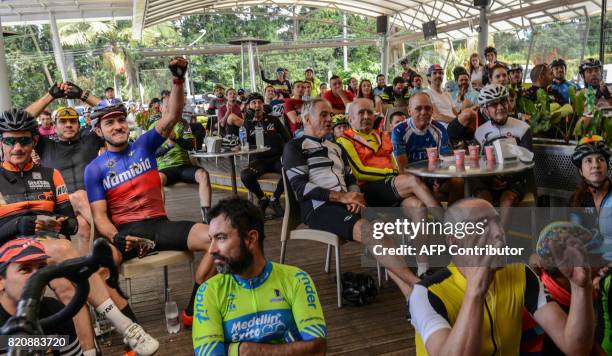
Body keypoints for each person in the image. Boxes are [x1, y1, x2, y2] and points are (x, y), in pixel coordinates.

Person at [0, 108, 159, 355]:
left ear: (34, 140)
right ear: (2, 143)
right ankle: (126, 326)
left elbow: (72, 223)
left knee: (69, 287)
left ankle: (88, 351)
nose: (17, 147)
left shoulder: (50, 175)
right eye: (10, 140)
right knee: (66, 250)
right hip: (9, 254)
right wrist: (19, 225)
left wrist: (57, 223)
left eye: (23, 140)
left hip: (47, 254)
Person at [84, 57, 216, 329]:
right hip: (126, 233)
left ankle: (193, 309)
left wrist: (178, 79)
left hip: (160, 225)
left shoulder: (143, 145)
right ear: (99, 131)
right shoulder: (94, 169)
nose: (118, 126)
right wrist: (117, 238)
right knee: (99, 270)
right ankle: (132, 329)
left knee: (220, 240)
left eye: (121, 120)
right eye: (110, 123)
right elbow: (99, 217)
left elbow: (172, 116)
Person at [407, 198, 595, 356]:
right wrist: (475, 291)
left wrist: (580, 287)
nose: (499, 233)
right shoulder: (426, 294)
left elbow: (576, 347)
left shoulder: (521, 274)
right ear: (454, 242)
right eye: (482, 225)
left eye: (497, 221)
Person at [282, 98, 421, 294]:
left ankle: (410, 296)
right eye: (323, 115)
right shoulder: (294, 147)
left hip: (345, 202)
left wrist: (355, 195)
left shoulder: (335, 146)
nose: (329, 119)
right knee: (372, 232)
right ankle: (418, 285)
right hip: (318, 207)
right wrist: (343, 197)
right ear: (306, 119)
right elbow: (300, 188)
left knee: (382, 227)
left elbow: (350, 177)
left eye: (330, 115)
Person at [192, 197, 327, 356]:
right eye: (211, 239)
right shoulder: (209, 291)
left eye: (221, 238)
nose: (211, 250)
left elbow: (318, 349)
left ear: (251, 239)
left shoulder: (296, 279)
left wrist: (243, 350)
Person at [336, 98, 443, 276]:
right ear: (351, 119)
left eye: (369, 112)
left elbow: (394, 164)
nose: (366, 116)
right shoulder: (344, 140)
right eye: (361, 113)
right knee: (412, 181)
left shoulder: (382, 136)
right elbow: (359, 172)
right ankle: (446, 223)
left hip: (390, 188)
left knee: (418, 207)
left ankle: (423, 267)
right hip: (368, 191)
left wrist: (393, 174)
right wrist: (392, 175)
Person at [26, 85, 105, 255]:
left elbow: (111, 111)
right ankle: (109, 236)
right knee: (79, 195)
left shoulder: (89, 140)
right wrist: (50, 95)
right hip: (57, 206)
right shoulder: (45, 145)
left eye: (72, 121)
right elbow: (22, 120)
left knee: (84, 228)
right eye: (63, 121)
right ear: (54, 126)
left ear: (79, 123)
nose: (68, 125)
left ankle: (85, 272)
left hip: (89, 205)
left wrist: (83, 95)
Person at [532, 221, 609, 355]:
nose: (604, 264)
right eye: (595, 258)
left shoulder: (587, 292)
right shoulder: (541, 308)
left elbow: (590, 344)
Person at [0, 238, 83, 356]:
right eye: (25, 269)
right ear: (1, 281)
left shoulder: (55, 311)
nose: (39, 277)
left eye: (41, 268)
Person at [392, 92, 463, 204]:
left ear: (432, 110)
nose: (424, 112)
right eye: (418, 109)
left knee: (458, 182)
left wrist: (438, 179)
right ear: (409, 111)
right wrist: (424, 183)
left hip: (434, 176)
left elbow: (447, 162)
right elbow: (403, 170)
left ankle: (452, 216)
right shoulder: (399, 130)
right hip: (411, 180)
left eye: (427, 108)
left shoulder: (439, 129)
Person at [473, 84, 532, 216]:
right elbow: (476, 163)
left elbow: (528, 161)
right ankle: (486, 236)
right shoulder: (480, 132)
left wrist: (508, 179)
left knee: (507, 201)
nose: (500, 107)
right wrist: (491, 180)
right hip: (487, 180)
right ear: (486, 110)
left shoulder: (523, 128)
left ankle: (500, 237)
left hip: (515, 180)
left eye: (503, 102)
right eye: (494, 104)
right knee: (483, 202)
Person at [240, 93, 290, 217]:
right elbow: (242, 143)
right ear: (248, 107)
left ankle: (274, 199)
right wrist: (249, 121)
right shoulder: (246, 124)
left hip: (276, 158)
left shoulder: (273, 120)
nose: (257, 105)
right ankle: (262, 198)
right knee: (246, 175)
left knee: (291, 171)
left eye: (259, 102)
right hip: (258, 160)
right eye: (253, 103)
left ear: (263, 105)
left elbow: (287, 138)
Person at [569, 136, 612, 260]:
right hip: (589, 262)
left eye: (600, 159)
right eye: (588, 160)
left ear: (607, 166)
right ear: (581, 171)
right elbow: (574, 235)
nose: (595, 165)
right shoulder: (577, 200)